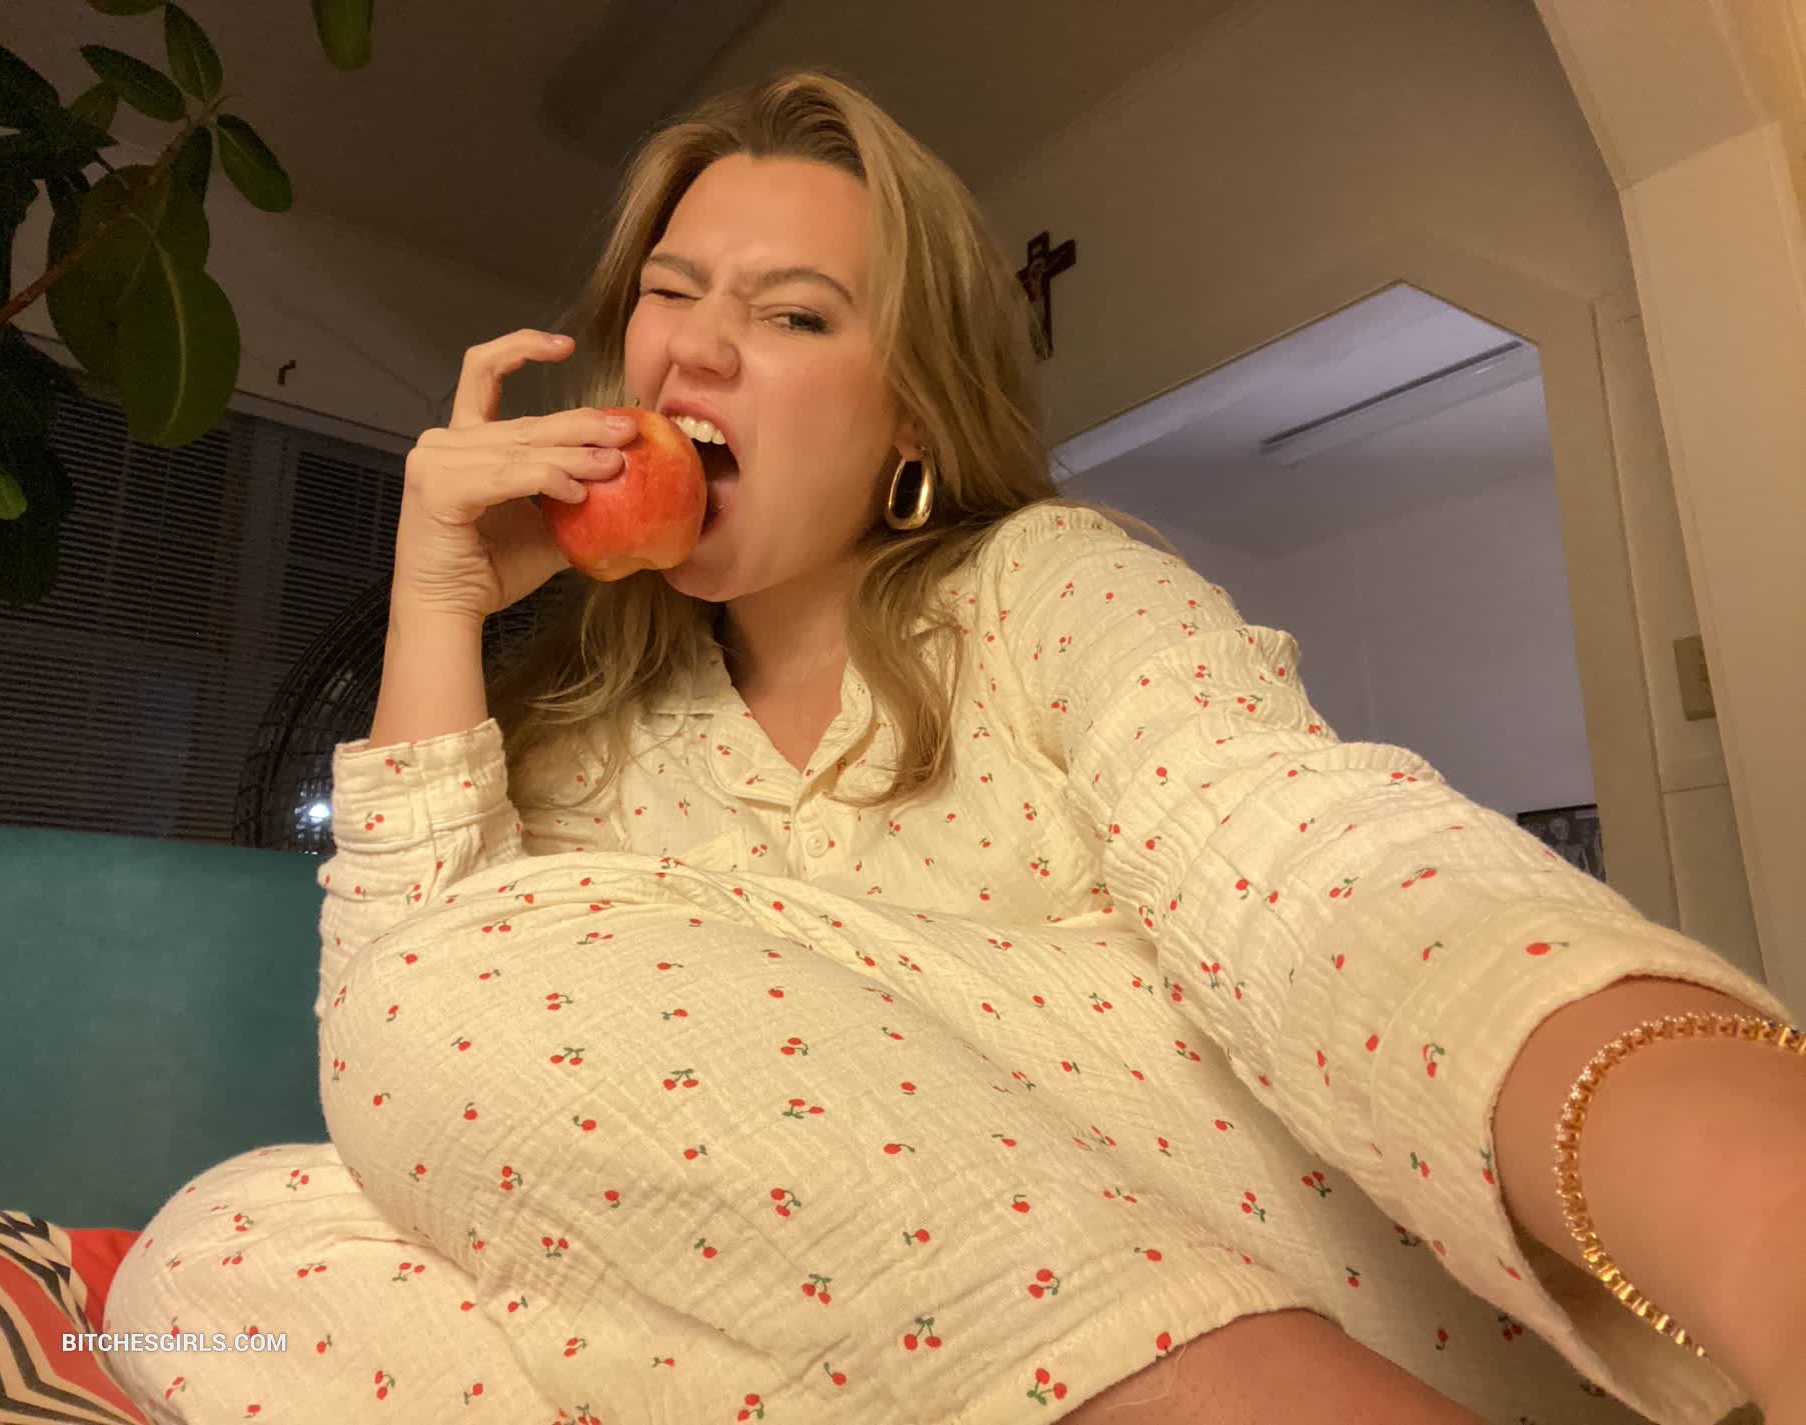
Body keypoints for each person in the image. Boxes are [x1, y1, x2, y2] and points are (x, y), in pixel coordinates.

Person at [104, 68, 1806, 1425]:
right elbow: (408, 1073)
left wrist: (1768, 1223)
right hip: (875, 1355)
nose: (694, 344)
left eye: (792, 316)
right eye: (668, 294)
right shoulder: (594, 761)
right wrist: (437, 605)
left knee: (467, 978)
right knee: (219, 1261)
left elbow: (1300, 854)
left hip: (1312, 1293)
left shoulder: (1046, 594)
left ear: (909, 411)